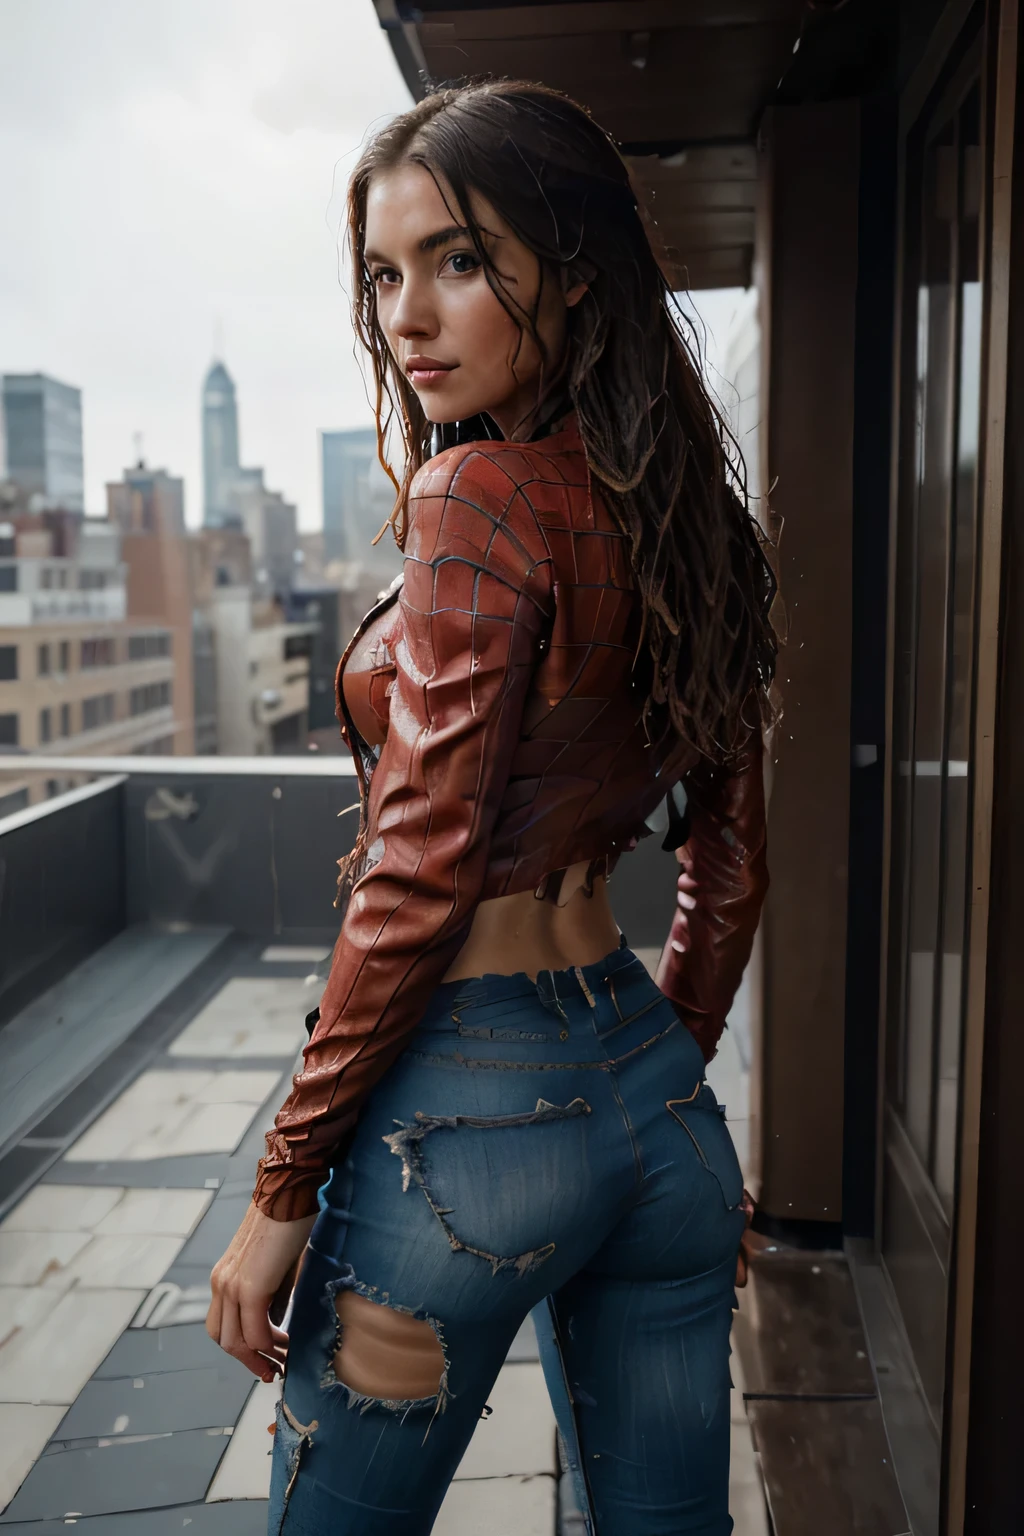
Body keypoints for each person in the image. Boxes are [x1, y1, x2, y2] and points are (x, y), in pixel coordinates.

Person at [207, 79, 776, 1536]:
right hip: (658, 1116)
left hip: (465, 1136)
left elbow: (414, 867)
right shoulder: (696, 519)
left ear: (571, 272)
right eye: (385, 275)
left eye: (457, 262)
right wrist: (643, 1096)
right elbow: (732, 864)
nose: (407, 315)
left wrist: (282, 1194)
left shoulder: (479, 499)